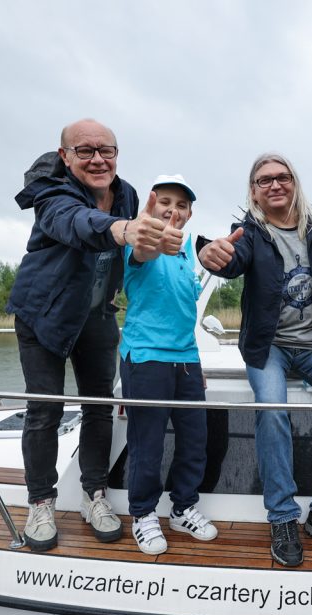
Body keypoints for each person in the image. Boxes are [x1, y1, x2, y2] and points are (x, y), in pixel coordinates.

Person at [8, 119, 183, 552]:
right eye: (85, 151)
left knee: (99, 408)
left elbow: (134, 251)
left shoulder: (127, 194)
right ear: (65, 156)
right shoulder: (52, 193)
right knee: (45, 410)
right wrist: (122, 229)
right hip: (43, 314)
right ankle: (41, 503)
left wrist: (146, 245)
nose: (98, 159)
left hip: (97, 315)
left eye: (107, 150)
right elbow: (75, 222)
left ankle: (94, 495)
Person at [198, 153, 312, 568]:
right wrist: (210, 253)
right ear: (253, 191)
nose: (275, 185)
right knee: (273, 408)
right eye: (264, 180)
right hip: (268, 345)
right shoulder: (250, 233)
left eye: (282, 177)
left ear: (294, 182)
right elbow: (231, 259)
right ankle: (283, 517)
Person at [120, 174, 218, 555]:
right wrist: (152, 239)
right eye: (165, 202)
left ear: (189, 213)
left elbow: (183, 311)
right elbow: (143, 254)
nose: (173, 210)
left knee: (195, 440)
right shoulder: (138, 241)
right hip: (146, 357)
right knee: (147, 443)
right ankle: (143, 514)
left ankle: (182, 508)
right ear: (151, 205)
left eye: (181, 205)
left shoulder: (188, 251)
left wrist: (196, 361)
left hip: (187, 360)